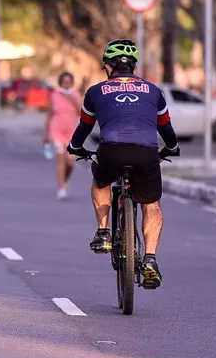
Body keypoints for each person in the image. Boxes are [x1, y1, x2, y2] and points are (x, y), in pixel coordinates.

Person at [67, 39, 180, 289]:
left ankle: (104, 232)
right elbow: (166, 127)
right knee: (151, 204)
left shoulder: (96, 91)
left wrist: (74, 146)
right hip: (146, 153)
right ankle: (150, 259)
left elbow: (85, 125)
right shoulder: (153, 91)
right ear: (134, 67)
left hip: (112, 150)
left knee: (101, 179)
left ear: (108, 66)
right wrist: (172, 147)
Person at [44, 71, 81, 200]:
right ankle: (61, 188)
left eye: (69, 81)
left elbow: (81, 113)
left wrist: (74, 100)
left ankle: (64, 180)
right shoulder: (54, 95)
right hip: (57, 131)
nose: (67, 84)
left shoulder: (76, 95)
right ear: (61, 82)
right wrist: (46, 134)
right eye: (64, 81)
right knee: (60, 158)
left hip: (71, 132)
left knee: (70, 162)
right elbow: (49, 115)